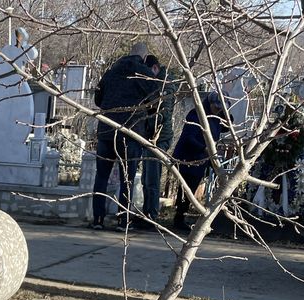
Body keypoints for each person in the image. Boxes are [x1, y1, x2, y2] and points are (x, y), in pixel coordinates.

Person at [91, 42, 160, 229]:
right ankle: (123, 220)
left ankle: (97, 219)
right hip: (130, 131)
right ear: (145, 58)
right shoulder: (143, 73)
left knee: (102, 177)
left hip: (106, 129)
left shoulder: (111, 72)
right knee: (127, 179)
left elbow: (97, 98)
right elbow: (156, 100)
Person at [172, 91, 228, 231]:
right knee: (186, 188)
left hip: (201, 158)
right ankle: (179, 218)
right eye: (216, 106)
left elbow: (227, 126)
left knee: (193, 186)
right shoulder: (196, 114)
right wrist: (204, 149)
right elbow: (189, 137)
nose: (218, 109)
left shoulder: (215, 116)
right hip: (189, 157)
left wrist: (225, 113)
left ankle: (181, 216)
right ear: (209, 104)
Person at [141, 57, 176, 224]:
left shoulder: (165, 86)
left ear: (154, 68)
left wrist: (150, 110)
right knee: (146, 178)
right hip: (150, 135)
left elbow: (162, 114)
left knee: (152, 178)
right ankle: (146, 212)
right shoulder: (159, 84)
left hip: (158, 137)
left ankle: (152, 215)